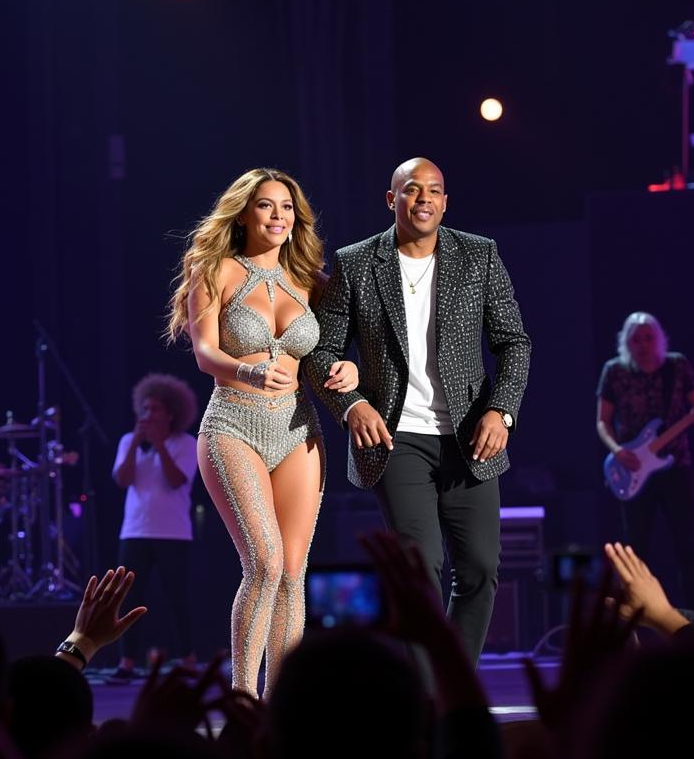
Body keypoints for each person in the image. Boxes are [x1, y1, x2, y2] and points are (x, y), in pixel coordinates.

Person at [306, 156, 531, 671]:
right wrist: (351, 403)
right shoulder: (358, 262)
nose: (423, 198)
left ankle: (454, 677)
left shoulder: (478, 255)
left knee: (479, 568)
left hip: (471, 435)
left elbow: (514, 342)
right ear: (393, 200)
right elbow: (320, 352)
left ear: (445, 201)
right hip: (394, 436)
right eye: (412, 190)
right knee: (421, 565)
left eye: (434, 190)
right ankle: (428, 697)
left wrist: (502, 412)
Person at [166, 168, 357, 697]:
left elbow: (330, 352)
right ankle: (242, 700)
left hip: (298, 428)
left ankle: (282, 705)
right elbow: (205, 354)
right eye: (267, 206)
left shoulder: (312, 281)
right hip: (233, 422)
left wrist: (351, 371)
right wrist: (247, 370)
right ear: (245, 214)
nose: (278, 216)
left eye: (287, 207)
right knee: (265, 562)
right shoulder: (214, 269)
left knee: (294, 571)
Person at [596, 311, 694, 615]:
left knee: (687, 546)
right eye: (636, 339)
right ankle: (634, 619)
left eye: (648, 338)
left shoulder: (677, 365)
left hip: (676, 466)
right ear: (627, 342)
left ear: (658, 339)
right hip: (632, 469)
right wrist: (618, 451)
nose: (643, 344)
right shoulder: (615, 371)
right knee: (636, 548)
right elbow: (602, 422)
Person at [109, 372, 199, 681]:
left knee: (178, 598)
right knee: (128, 599)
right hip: (134, 532)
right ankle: (127, 663)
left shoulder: (186, 444)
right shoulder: (127, 441)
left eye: (155, 409)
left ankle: (187, 659)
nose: (148, 415)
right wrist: (136, 441)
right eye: (144, 409)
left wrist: (160, 446)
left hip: (173, 533)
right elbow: (122, 480)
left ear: (171, 413)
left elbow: (176, 481)